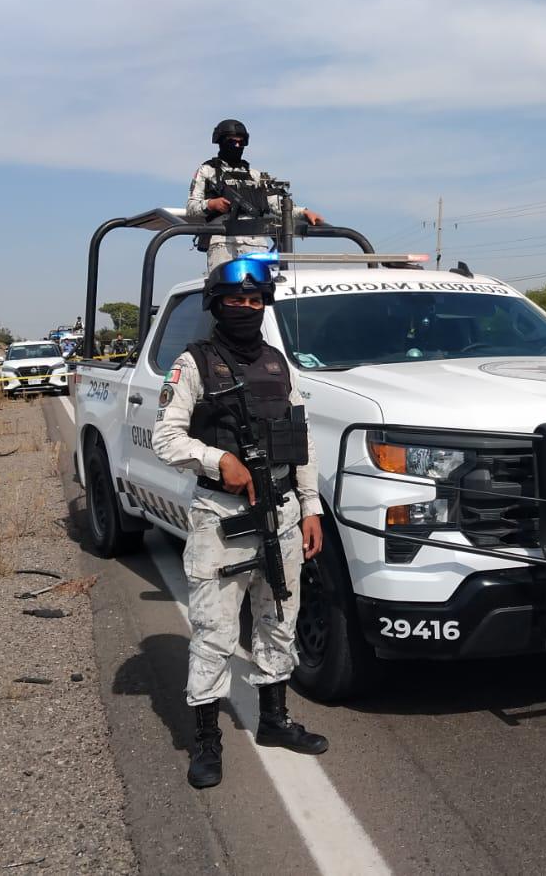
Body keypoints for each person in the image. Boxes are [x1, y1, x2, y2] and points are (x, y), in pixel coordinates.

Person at [152, 254, 329, 789]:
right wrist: (216, 460)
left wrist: (311, 507)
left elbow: (303, 442)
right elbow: (166, 436)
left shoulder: (277, 362)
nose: (246, 308)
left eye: (254, 301)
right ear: (217, 304)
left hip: (281, 513)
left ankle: (274, 719)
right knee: (215, 632)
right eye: (235, 300)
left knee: (280, 616)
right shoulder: (193, 364)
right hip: (221, 518)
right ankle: (206, 740)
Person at [187, 119, 325, 270]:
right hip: (223, 242)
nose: (238, 146)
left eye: (242, 143)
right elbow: (191, 207)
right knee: (224, 290)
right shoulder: (207, 171)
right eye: (232, 142)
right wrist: (211, 204)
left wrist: (304, 212)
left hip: (255, 243)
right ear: (220, 142)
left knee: (262, 290)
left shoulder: (255, 175)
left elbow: (275, 203)